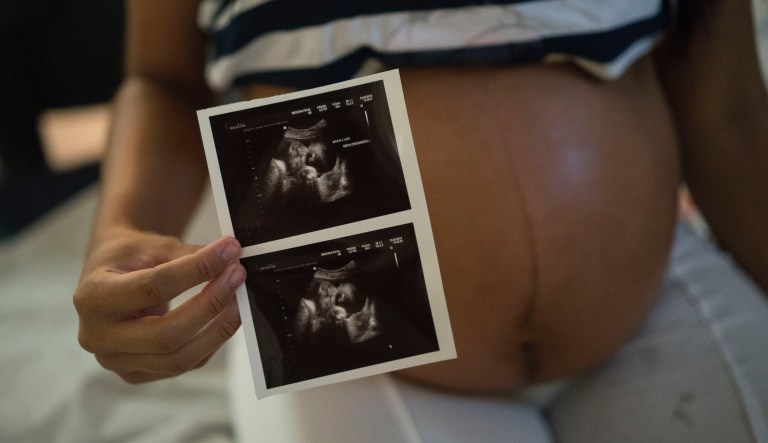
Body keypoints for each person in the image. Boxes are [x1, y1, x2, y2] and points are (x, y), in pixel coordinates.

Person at [74, 0, 767, 393]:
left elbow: (725, 99)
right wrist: (121, 232)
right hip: (354, 361)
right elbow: (165, 80)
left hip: (657, 304)